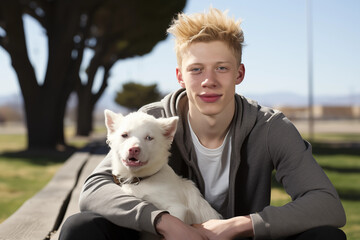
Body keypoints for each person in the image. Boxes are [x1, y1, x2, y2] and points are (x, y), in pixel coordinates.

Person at [60, 8, 346, 240]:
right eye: (196, 69)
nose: (209, 80)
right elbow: (95, 188)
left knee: (326, 237)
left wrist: (238, 225)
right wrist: (165, 222)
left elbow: (327, 205)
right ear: (180, 76)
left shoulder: (271, 128)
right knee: (80, 228)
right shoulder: (151, 122)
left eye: (222, 67)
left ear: (239, 73)